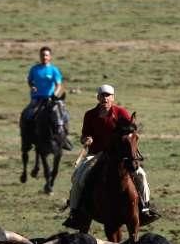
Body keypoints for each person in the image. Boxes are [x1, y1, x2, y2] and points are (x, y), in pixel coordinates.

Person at [63, 84, 158, 229]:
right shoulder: (90, 114)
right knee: (78, 177)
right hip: (96, 154)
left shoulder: (121, 112)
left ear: (113, 98)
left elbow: (131, 132)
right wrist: (86, 139)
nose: (105, 98)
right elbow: (84, 136)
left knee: (141, 175)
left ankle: (145, 208)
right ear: (98, 97)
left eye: (108, 95)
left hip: (119, 156)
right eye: (102, 95)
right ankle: (75, 213)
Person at [22, 46, 70, 149]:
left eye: (46, 55)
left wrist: (55, 94)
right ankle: (27, 138)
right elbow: (30, 80)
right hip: (37, 98)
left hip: (50, 99)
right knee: (28, 114)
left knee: (63, 115)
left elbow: (58, 84)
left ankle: (64, 138)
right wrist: (32, 86)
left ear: (50, 56)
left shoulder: (54, 70)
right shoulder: (34, 69)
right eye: (42, 55)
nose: (44, 57)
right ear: (40, 56)